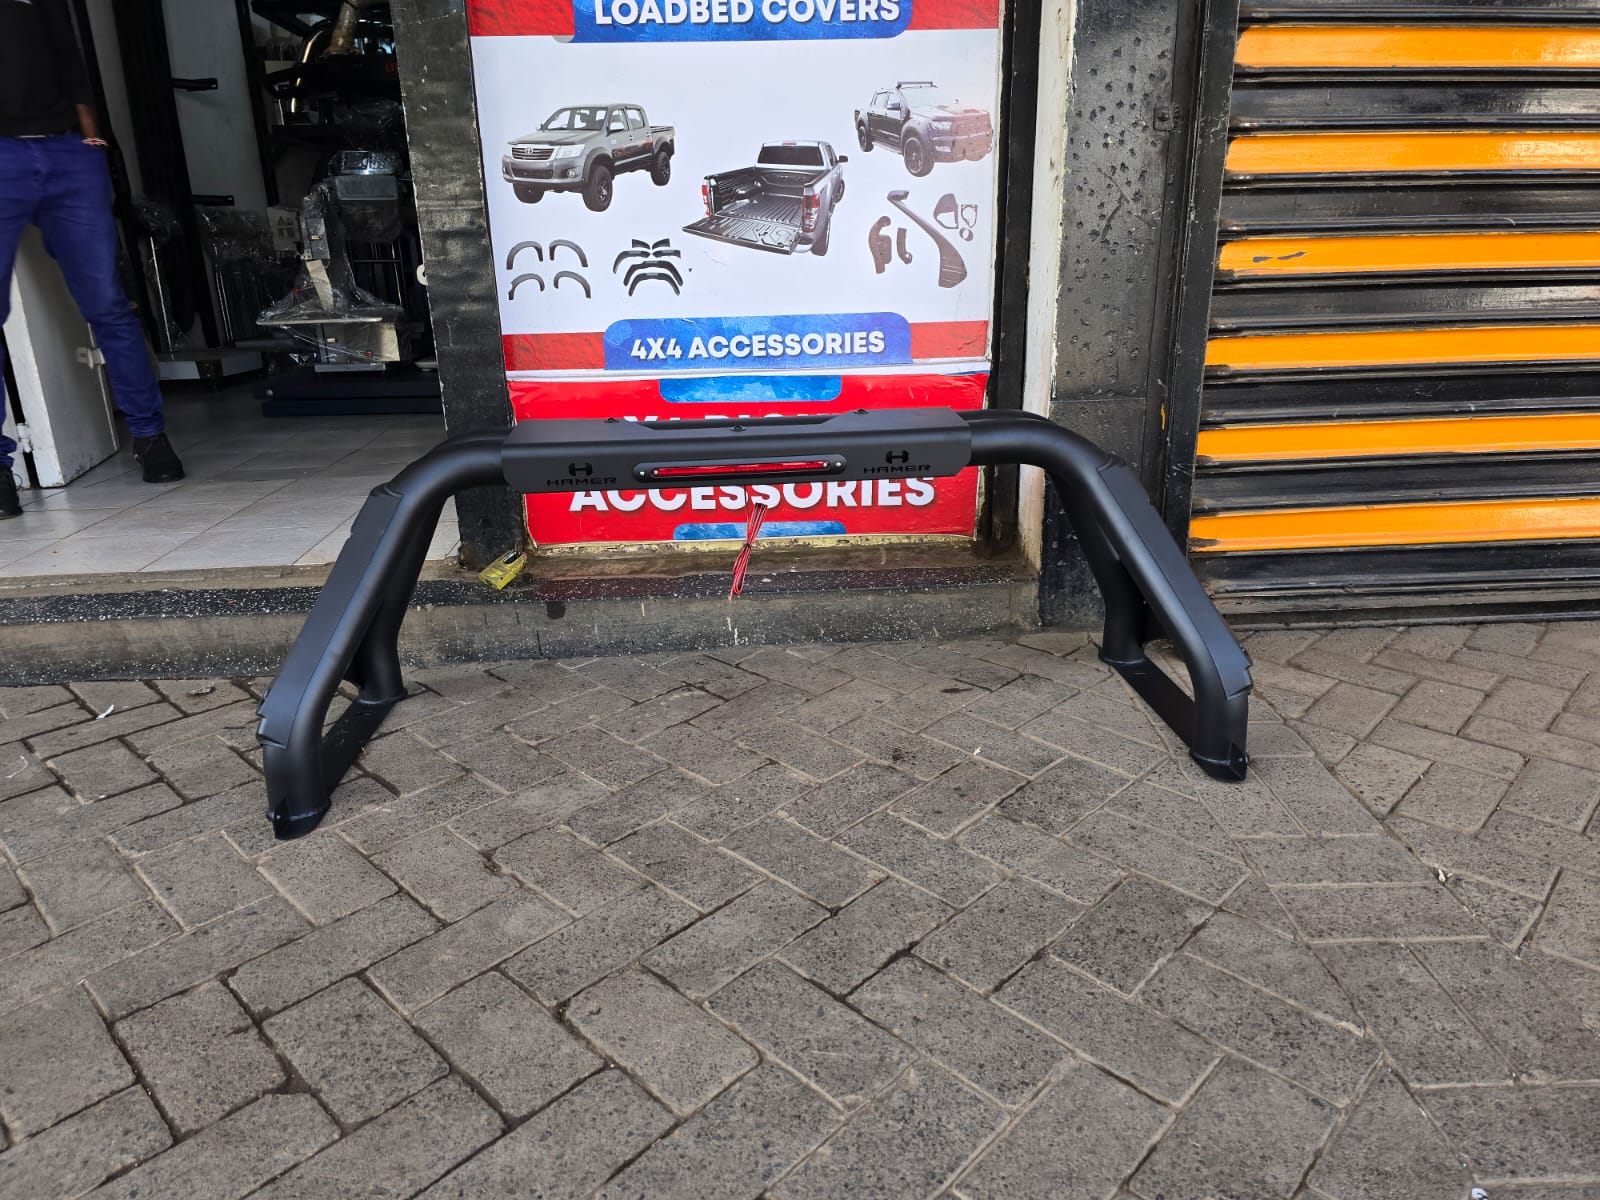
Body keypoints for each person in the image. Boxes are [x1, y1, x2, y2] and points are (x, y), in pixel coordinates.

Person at [0, 0, 183, 520]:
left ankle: (150, 437)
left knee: (107, 303)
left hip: (68, 153)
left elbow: (71, 61)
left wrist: (89, 140)